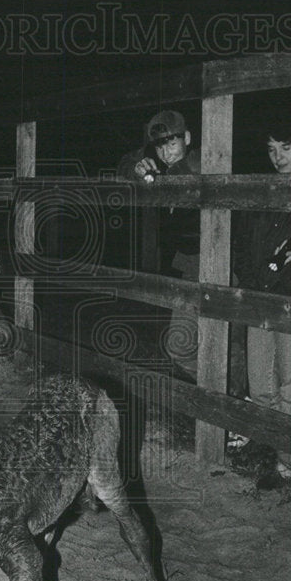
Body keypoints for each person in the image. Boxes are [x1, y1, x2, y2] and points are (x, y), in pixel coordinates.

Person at [233, 122, 291, 483]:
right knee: (261, 383)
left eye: (285, 147)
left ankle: (290, 462)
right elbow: (244, 242)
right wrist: (250, 282)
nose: (278, 157)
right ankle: (264, 448)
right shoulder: (263, 190)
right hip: (261, 295)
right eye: (271, 149)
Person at [117, 110, 202, 380]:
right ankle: (225, 399)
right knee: (187, 345)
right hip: (192, 265)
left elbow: (194, 167)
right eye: (160, 145)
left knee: (188, 345)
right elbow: (124, 164)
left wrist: (154, 172)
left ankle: (229, 400)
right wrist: (138, 167)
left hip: (222, 264)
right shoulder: (164, 168)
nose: (166, 152)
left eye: (172, 143)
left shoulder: (201, 158)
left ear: (187, 138)